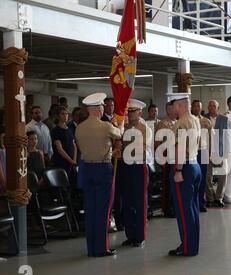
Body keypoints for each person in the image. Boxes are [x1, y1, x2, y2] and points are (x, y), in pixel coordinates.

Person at [75, 92, 123, 257]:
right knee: (103, 210)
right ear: (98, 109)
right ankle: (101, 248)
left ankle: (91, 248)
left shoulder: (79, 128)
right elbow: (120, 133)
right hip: (103, 169)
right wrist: (120, 123)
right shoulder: (105, 126)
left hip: (86, 168)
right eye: (102, 106)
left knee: (90, 209)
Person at [168, 93, 201, 257]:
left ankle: (187, 247)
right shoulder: (195, 119)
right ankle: (193, 244)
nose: (171, 108)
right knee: (192, 208)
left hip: (185, 168)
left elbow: (180, 147)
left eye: (173, 105)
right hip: (194, 165)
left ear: (179, 105)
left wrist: (178, 170)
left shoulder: (181, 123)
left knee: (183, 209)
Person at [120, 99, 152, 248]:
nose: (130, 114)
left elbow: (141, 148)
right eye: (128, 111)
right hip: (126, 166)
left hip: (139, 165)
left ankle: (140, 236)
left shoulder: (145, 129)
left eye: (132, 111)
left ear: (139, 112)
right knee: (127, 201)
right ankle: (130, 234)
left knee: (140, 202)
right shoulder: (124, 128)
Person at [155, 102, 178, 218]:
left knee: (174, 184)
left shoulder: (177, 122)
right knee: (167, 185)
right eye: (173, 109)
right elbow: (157, 143)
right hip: (166, 157)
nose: (176, 111)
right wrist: (161, 159)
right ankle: (167, 209)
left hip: (175, 157)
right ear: (169, 110)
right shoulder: (163, 124)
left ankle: (174, 207)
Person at [204, 100, 228, 208]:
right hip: (206, 150)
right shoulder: (203, 118)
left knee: (223, 174)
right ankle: (210, 198)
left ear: (218, 107)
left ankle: (219, 198)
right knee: (207, 176)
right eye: (210, 105)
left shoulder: (224, 119)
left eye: (214, 106)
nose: (212, 107)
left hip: (220, 150)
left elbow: (226, 136)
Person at [191, 100, 211, 212]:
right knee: (193, 179)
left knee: (203, 178)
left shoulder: (206, 122)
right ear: (192, 107)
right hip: (193, 151)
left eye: (199, 106)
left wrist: (209, 153)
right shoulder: (189, 121)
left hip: (203, 151)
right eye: (195, 106)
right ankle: (194, 203)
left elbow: (210, 139)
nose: (197, 108)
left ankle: (201, 202)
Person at [51, 106, 77, 182]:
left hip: (71, 162)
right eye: (62, 114)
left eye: (66, 114)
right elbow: (60, 149)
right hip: (62, 162)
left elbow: (74, 145)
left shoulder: (69, 129)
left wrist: (74, 160)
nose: (65, 116)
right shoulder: (56, 130)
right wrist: (71, 161)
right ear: (57, 116)